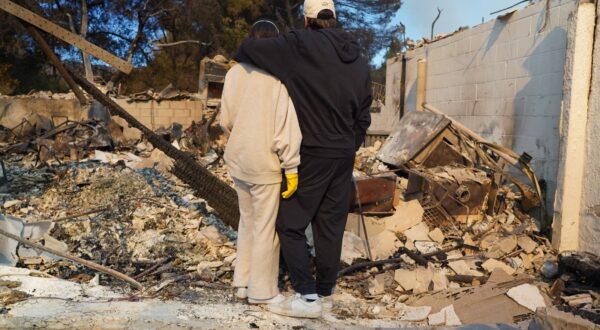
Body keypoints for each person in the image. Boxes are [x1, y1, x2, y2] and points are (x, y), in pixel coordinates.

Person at [234, 0, 372, 319]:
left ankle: (307, 297)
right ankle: (326, 292)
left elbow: (247, 49)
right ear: (334, 19)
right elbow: (363, 116)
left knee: (289, 222)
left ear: (306, 19)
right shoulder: (358, 58)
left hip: (310, 151)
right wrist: (350, 144)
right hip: (343, 154)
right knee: (329, 226)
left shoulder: (299, 44)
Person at [220, 19, 302, 306]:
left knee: (247, 223)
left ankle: (241, 283)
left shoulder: (232, 75)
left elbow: (225, 121)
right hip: (265, 165)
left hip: (238, 160)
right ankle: (261, 291)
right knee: (266, 228)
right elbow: (286, 129)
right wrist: (291, 167)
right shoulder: (275, 80)